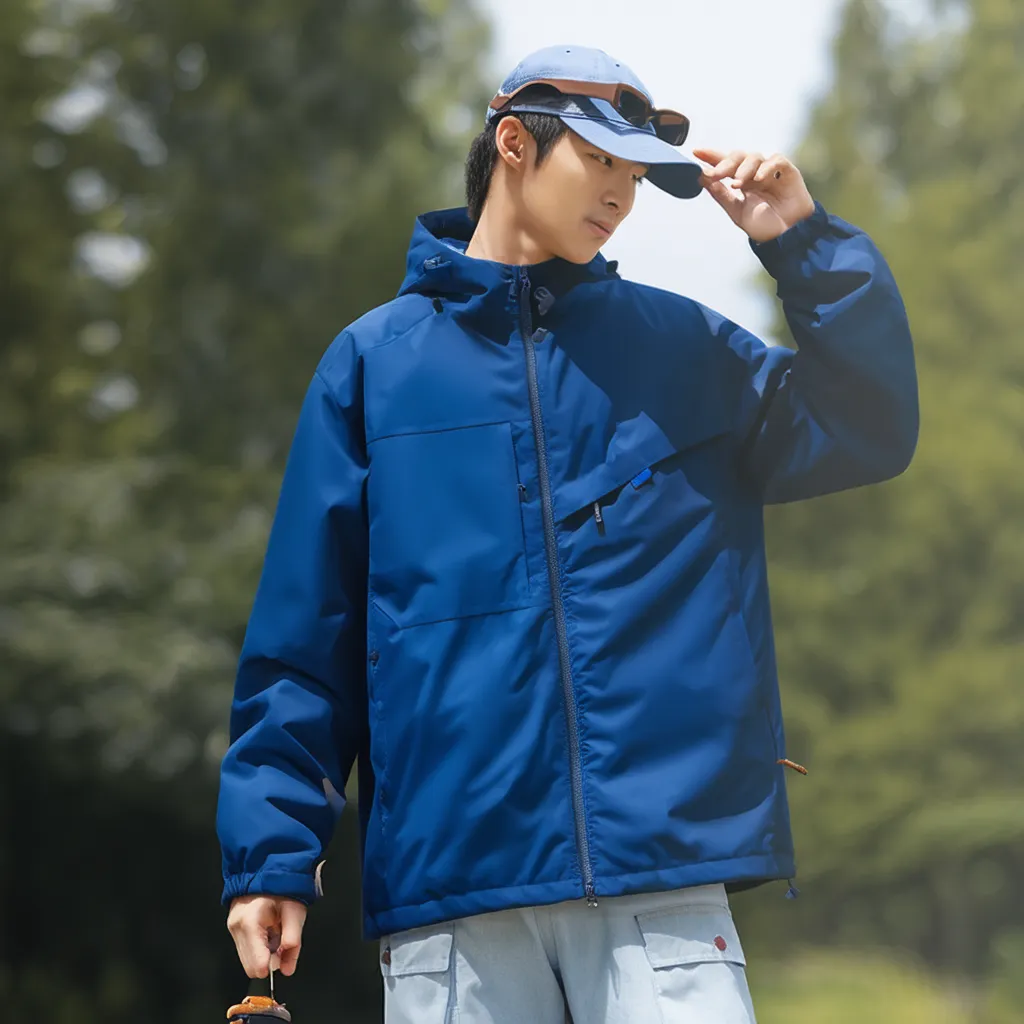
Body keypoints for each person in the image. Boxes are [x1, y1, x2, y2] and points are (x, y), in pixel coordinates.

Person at [217, 44, 918, 1023]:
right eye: (600, 161)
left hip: (662, 880)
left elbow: (866, 427)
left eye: (635, 174)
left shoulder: (686, 351)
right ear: (514, 144)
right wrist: (270, 856)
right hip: (453, 894)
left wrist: (802, 246)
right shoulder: (373, 369)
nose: (621, 194)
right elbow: (305, 643)